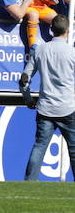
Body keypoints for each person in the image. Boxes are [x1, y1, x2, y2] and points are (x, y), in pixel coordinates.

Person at [20, 14, 75, 180]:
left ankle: (29, 183)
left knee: (39, 146)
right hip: (68, 107)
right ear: (68, 30)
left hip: (45, 108)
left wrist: (28, 98)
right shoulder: (72, 52)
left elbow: (24, 79)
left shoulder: (40, 50)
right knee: (73, 149)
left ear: (51, 30)